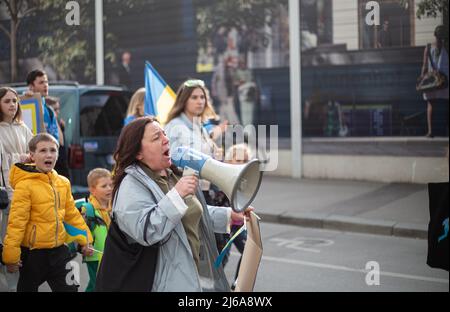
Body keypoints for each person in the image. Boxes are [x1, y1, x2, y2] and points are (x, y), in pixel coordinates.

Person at [100, 116, 251, 291]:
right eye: (156, 137)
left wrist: (229, 215)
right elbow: (146, 231)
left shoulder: (171, 175)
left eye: (164, 134)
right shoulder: (130, 186)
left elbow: (190, 212)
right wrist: (177, 195)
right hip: (161, 284)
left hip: (189, 274)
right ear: (138, 153)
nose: (166, 139)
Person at [1, 133, 93, 292]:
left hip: (60, 252)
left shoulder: (63, 183)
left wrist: (85, 239)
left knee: (71, 290)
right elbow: (17, 223)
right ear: (32, 155)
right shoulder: (25, 186)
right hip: (33, 256)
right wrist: (11, 257)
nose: (49, 154)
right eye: (43, 150)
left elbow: (72, 215)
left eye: (53, 150)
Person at [0, 87, 33, 291]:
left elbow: (35, 150)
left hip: (25, 190)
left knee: (22, 240)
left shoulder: (23, 128)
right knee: (7, 238)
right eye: (7, 101)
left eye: (15, 101)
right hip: (5, 193)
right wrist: (19, 158)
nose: (13, 104)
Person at [214, 143, 252, 289]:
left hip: (239, 225)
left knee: (249, 252)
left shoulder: (246, 179)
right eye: (238, 160)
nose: (242, 164)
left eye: (245, 160)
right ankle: (211, 286)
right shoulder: (221, 177)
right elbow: (215, 201)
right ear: (229, 161)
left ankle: (237, 284)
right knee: (222, 259)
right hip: (225, 225)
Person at [79, 168, 112, 292]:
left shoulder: (113, 207)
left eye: (110, 185)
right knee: (96, 285)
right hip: (94, 256)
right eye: (104, 186)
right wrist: (83, 246)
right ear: (92, 190)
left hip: (111, 254)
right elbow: (80, 231)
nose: (109, 188)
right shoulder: (88, 210)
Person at [420, 25, 449, 138]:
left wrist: (422, 77)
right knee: (436, 104)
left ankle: (431, 132)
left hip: (437, 79)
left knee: (431, 104)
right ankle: (434, 131)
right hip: (442, 79)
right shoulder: (444, 46)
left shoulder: (429, 47)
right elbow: (424, 65)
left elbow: (424, 66)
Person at [26, 69, 60, 143]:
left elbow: (55, 139)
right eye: (41, 82)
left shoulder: (50, 111)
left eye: (46, 82)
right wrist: (26, 100)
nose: (45, 85)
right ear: (31, 87)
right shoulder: (22, 107)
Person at [45, 96, 70, 179]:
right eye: (54, 109)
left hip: (63, 160)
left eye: (58, 109)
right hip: (56, 162)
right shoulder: (47, 124)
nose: (57, 112)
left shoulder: (57, 122)